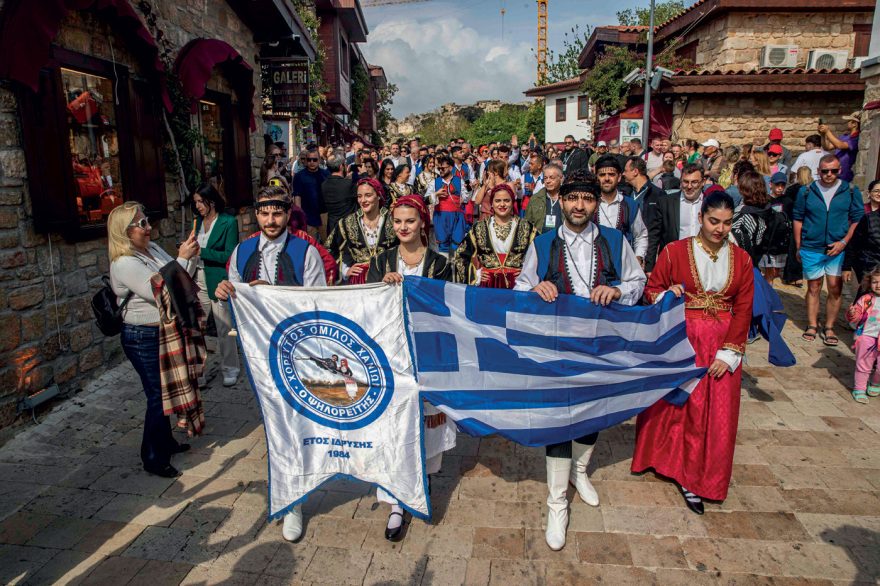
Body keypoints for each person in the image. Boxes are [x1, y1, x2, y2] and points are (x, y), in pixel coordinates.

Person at [514, 170, 646, 551]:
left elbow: (637, 284)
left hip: (600, 346)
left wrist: (618, 289)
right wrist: (536, 287)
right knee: (559, 421)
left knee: (591, 413)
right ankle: (556, 504)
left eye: (587, 199)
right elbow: (520, 286)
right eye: (572, 198)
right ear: (562, 201)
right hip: (555, 350)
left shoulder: (616, 240)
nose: (579, 206)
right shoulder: (542, 242)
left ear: (594, 203)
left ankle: (580, 470)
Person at [215, 186, 326, 542]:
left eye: (277, 213)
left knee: (294, 422)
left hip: (297, 351)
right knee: (276, 422)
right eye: (264, 213)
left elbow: (317, 302)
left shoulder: (304, 251)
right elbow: (233, 296)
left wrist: (272, 294)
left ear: (287, 214)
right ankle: (290, 496)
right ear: (256, 215)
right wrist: (225, 292)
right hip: (259, 352)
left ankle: (294, 498)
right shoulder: (243, 251)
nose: (270, 220)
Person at [633, 191, 754, 514]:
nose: (720, 229)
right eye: (714, 221)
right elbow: (652, 289)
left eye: (727, 223)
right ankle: (671, 464)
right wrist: (666, 295)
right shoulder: (674, 252)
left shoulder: (741, 259)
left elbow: (744, 308)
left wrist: (730, 352)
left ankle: (705, 476)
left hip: (722, 343)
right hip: (682, 340)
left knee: (716, 413)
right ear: (700, 217)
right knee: (681, 406)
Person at [365, 194, 456, 541]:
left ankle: (423, 477)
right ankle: (396, 501)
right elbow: (368, 307)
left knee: (427, 422)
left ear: (423, 224)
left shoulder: (439, 262)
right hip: (391, 353)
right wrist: (381, 287)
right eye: (398, 222)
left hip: (427, 354)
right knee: (394, 423)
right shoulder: (382, 260)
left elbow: (447, 307)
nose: (404, 227)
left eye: (411, 221)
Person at [109, 202, 199, 478]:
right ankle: (153, 457)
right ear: (124, 232)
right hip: (142, 336)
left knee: (167, 390)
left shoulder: (152, 249)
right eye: (142, 224)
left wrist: (189, 257)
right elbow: (161, 291)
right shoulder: (124, 262)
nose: (149, 227)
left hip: (163, 330)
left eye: (147, 221)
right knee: (157, 396)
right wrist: (182, 259)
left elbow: (183, 278)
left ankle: (166, 441)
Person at [793, 154, 865, 345]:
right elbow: (798, 217)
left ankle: (830, 326)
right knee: (814, 287)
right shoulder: (807, 191)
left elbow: (858, 218)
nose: (829, 174)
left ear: (840, 170)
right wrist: (799, 245)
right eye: (825, 171)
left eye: (833, 170)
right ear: (819, 171)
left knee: (835, 288)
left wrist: (844, 241)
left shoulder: (849, 190)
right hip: (811, 246)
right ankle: (811, 324)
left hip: (837, 247)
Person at [191, 184, 240, 387]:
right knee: (196, 327)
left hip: (218, 279)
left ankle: (230, 368)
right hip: (196, 279)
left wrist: (202, 252)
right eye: (195, 202)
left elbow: (230, 254)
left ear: (211, 200)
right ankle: (198, 371)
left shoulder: (229, 222)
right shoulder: (196, 223)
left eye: (201, 201)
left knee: (224, 326)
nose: (198, 206)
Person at [453, 184, 538, 287]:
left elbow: (540, 254)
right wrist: (476, 274)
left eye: (506, 200)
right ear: (492, 203)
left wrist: (526, 271)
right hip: (488, 284)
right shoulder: (480, 227)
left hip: (518, 285)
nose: (502, 204)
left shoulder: (526, 227)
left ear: (512, 202)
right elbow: (461, 255)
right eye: (497, 201)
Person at [325, 178, 398, 284]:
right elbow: (328, 249)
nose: (363, 200)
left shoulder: (392, 220)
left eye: (368, 195)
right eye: (360, 196)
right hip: (359, 281)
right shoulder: (348, 222)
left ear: (378, 195)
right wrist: (345, 270)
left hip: (387, 279)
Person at [645, 163, 707, 273]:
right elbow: (654, 236)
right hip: (673, 264)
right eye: (685, 182)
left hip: (704, 263)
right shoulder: (665, 202)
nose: (689, 186)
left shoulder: (710, 203)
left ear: (703, 182)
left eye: (694, 182)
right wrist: (649, 267)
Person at [593, 156, 648, 263]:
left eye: (611, 174)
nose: (607, 178)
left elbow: (641, 235)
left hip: (623, 265)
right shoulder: (589, 204)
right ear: (596, 178)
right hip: (594, 265)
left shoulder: (630, 205)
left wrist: (638, 257)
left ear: (619, 177)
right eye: (602, 175)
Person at [845, 268, 880, 404]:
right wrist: (852, 313)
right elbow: (856, 317)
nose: (878, 285)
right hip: (866, 336)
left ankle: (875, 382)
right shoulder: (866, 299)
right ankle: (859, 388)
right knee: (863, 364)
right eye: (875, 282)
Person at [426, 154, 471, 256]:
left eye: (443, 168)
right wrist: (436, 194)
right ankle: (445, 268)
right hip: (441, 216)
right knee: (443, 244)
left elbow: (467, 198)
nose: (440, 170)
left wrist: (468, 190)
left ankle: (457, 268)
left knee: (458, 245)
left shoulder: (459, 181)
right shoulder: (435, 182)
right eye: (439, 168)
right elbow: (427, 198)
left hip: (457, 216)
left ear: (450, 168)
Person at [729, 171, 771, 267]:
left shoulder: (741, 215)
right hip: (760, 257)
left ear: (742, 189)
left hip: (743, 262)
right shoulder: (767, 209)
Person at [759, 172, 792, 285]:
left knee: (775, 272)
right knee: (769, 271)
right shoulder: (765, 200)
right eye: (777, 185)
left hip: (781, 242)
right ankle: (768, 295)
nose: (780, 188)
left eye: (782, 185)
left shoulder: (787, 201)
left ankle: (765, 288)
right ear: (771, 184)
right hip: (768, 241)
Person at [293, 145, 330, 240]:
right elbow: (297, 196)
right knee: (309, 244)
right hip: (308, 215)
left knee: (327, 244)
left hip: (324, 214)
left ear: (319, 160)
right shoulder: (299, 176)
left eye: (314, 160)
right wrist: (300, 215)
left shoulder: (326, 174)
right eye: (309, 160)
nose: (312, 162)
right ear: (305, 160)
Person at [781, 167, 811, 286]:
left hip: (795, 221)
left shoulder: (793, 190)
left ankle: (792, 275)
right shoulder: (811, 189)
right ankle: (795, 275)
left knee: (794, 249)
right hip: (808, 221)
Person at [624, 156, 667, 234]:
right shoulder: (626, 193)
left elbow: (663, 224)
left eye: (626, 171)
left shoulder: (657, 194)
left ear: (635, 172)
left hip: (649, 242)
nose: (623, 174)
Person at [843, 204, 880, 291]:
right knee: (865, 301)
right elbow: (854, 244)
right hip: (870, 269)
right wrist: (846, 267)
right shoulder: (869, 219)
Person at [322, 153, 361, 233]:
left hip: (332, 227)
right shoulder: (349, 184)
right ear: (341, 166)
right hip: (348, 227)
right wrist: (364, 174)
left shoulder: (324, 185)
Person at [523, 163, 564, 235]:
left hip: (562, 240)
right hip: (540, 240)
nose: (548, 181)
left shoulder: (567, 198)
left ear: (560, 178)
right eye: (545, 178)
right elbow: (527, 223)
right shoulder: (535, 199)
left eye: (552, 178)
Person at [819, 111, 860, 182]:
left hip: (844, 174)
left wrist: (827, 132)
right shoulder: (845, 136)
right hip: (835, 172)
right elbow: (827, 147)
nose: (847, 123)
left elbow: (840, 145)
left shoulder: (856, 139)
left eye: (849, 121)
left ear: (854, 124)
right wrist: (823, 135)